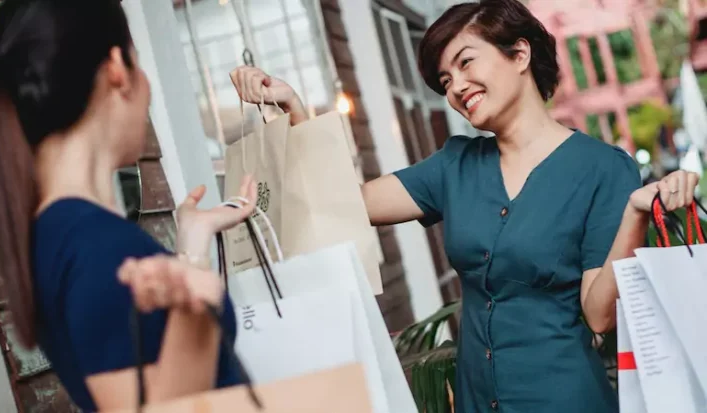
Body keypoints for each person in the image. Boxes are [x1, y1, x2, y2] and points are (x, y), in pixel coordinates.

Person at [230, 0, 700, 411]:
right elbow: (343, 204)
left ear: (520, 53)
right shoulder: (454, 166)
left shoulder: (603, 168)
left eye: (466, 62)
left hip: (564, 398)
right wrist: (293, 107)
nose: (455, 87)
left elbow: (598, 314)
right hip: (475, 400)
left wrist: (636, 215)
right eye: (445, 79)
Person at [0, 0, 256, 411]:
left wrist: (191, 246)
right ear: (118, 70)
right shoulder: (97, 248)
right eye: (139, 61)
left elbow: (157, 370)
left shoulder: (61, 235)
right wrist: (201, 307)